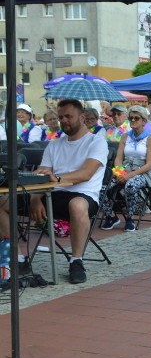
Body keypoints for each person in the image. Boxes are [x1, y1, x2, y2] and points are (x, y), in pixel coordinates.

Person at [0, 99, 109, 284]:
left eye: (68, 116)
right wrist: (35, 198)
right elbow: (42, 174)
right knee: (2, 202)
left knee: (77, 205)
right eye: (60, 117)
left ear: (82, 117)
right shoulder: (54, 144)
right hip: (50, 193)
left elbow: (86, 174)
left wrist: (56, 178)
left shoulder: (96, 142)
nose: (64, 121)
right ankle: (18, 258)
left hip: (84, 195)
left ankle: (76, 260)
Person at [100, 106, 151, 232]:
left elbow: (149, 165)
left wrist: (129, 176)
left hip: (142, 172)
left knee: (130, 186)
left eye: (136, 118)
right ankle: (111, 216)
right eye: (130, 118)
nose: (132, 120)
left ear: (144, 121)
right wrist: (119, 173)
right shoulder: (125, 136)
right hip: (124, 169)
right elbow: (118, 159)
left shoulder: (150, 138)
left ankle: (130, 218)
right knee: (101, 187)